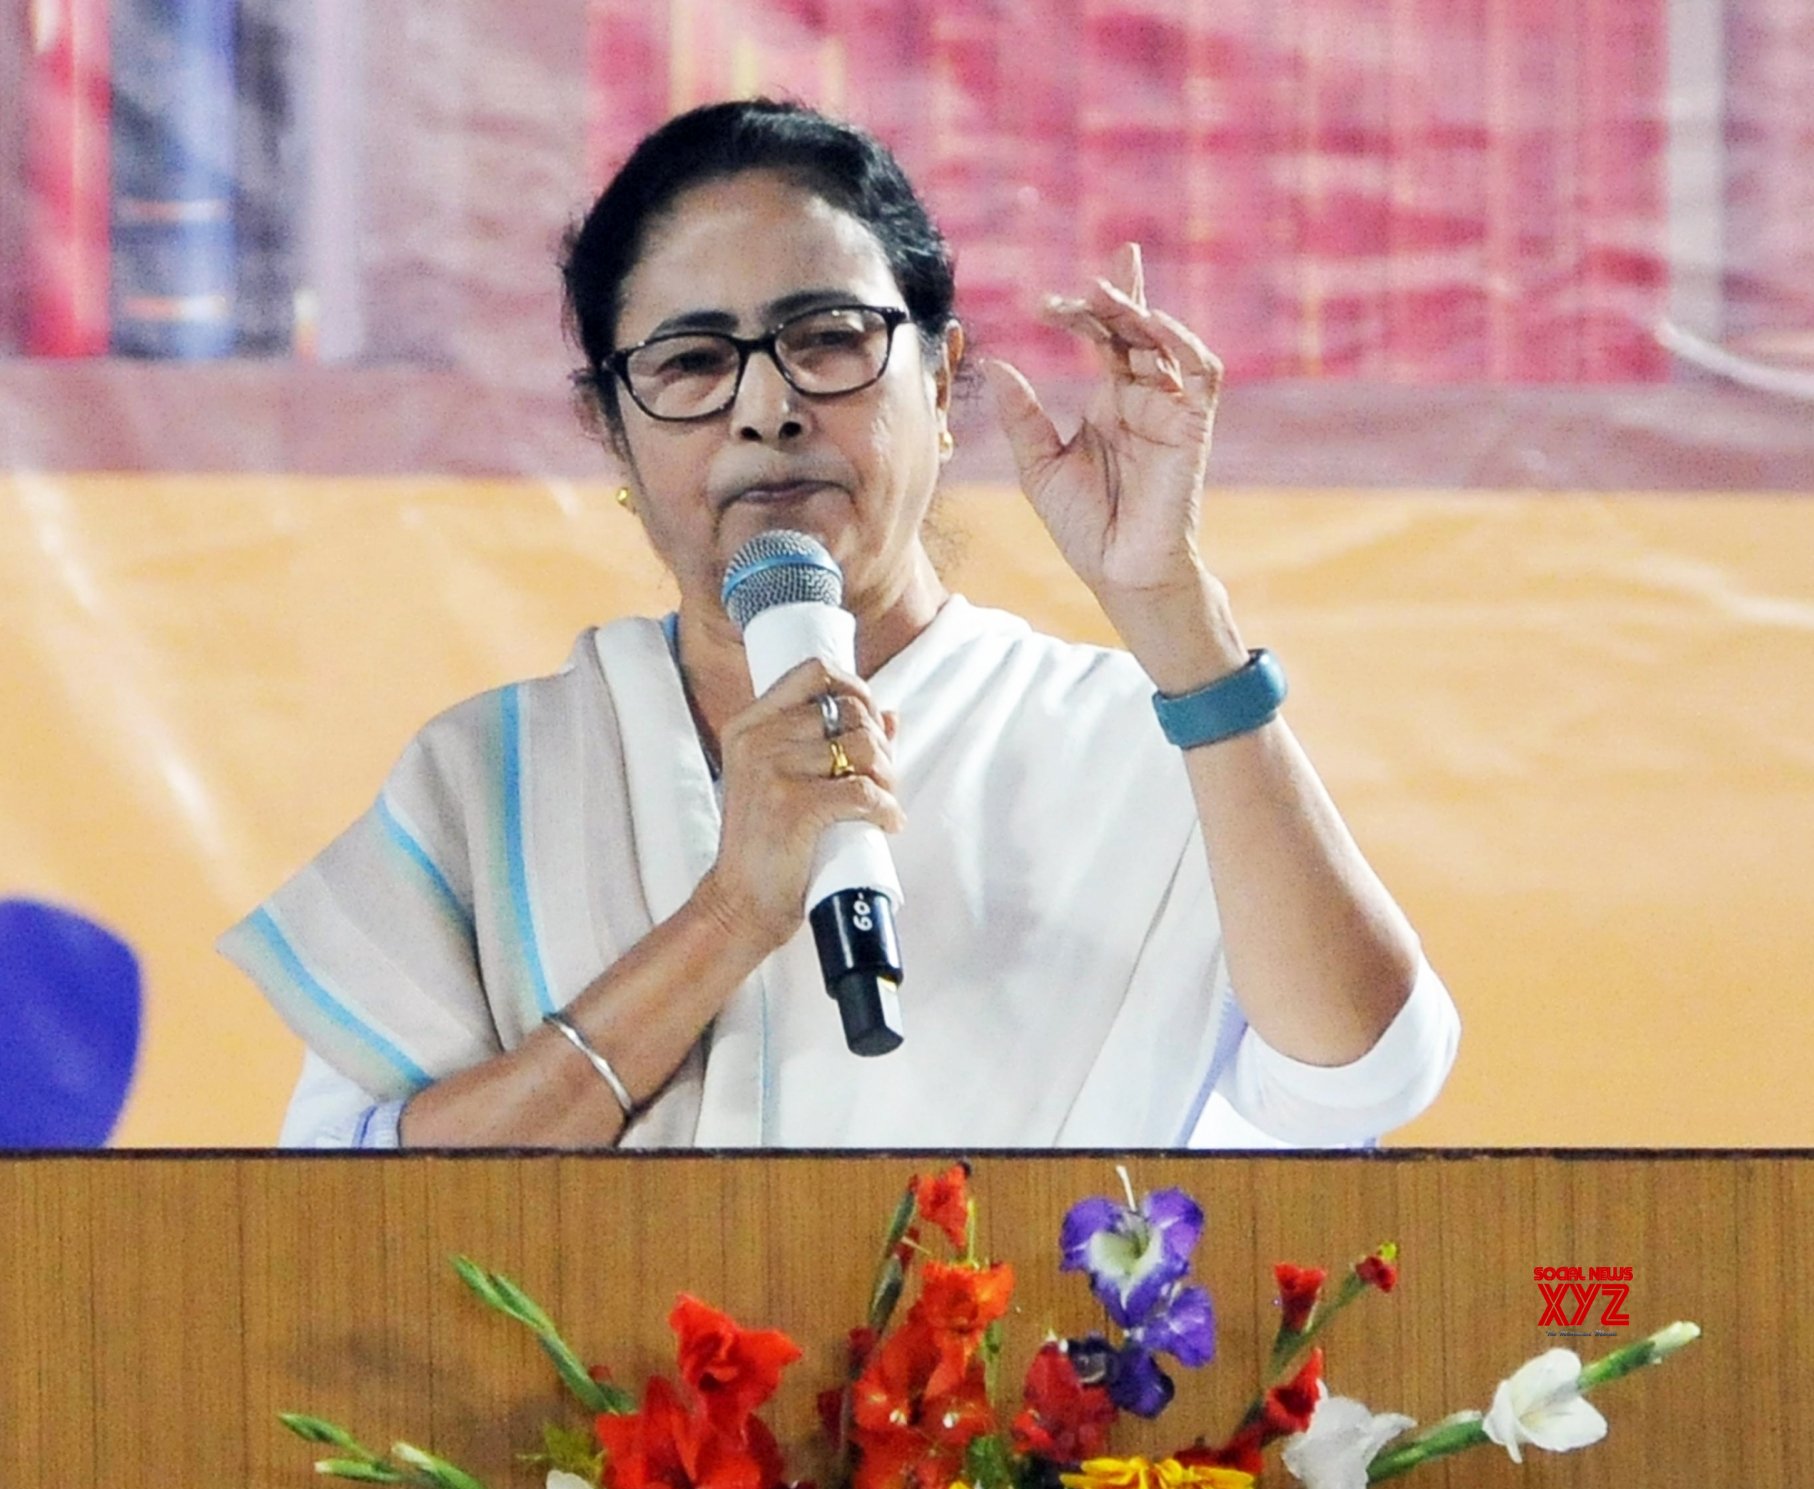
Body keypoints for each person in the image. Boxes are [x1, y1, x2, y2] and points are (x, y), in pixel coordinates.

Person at [221, 99, 1459, 1149]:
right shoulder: (492, 777)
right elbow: (346, 1197)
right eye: (691, 363)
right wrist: (732, 914)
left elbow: (1364, 1079)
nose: (765, 408)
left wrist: (1170, 613)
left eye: (827, 342)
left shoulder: (1134, 740)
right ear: (611, 429)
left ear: (938, 376)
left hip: (1012, 1439)